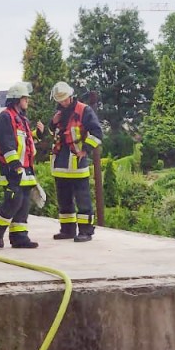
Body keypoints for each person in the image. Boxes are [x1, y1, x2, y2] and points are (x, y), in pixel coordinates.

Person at [0, 83, 43, 249]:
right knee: (14, 201)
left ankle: (19, 237)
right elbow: (6, 143)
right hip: (12, 168)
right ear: (17, 99)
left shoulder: (22, 119)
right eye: (25, 98)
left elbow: (26, 141)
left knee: (24, 204)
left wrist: (37, 134)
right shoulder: (5, 117)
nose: (27, 101)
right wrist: (15, 165)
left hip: (25, 169)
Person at [48, 81, 103, 242]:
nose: (63, 103)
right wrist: (52, 122)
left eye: (65, 100)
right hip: (60, 164)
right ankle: (67, 229)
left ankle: (86, 230)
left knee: (83, 199)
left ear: (71, 96)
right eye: (60, 101)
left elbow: (97, 132)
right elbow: (54, 132)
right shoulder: (59, 112)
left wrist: (85, 149)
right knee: (63, 199)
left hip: (77, 163)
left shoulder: (84, 110)